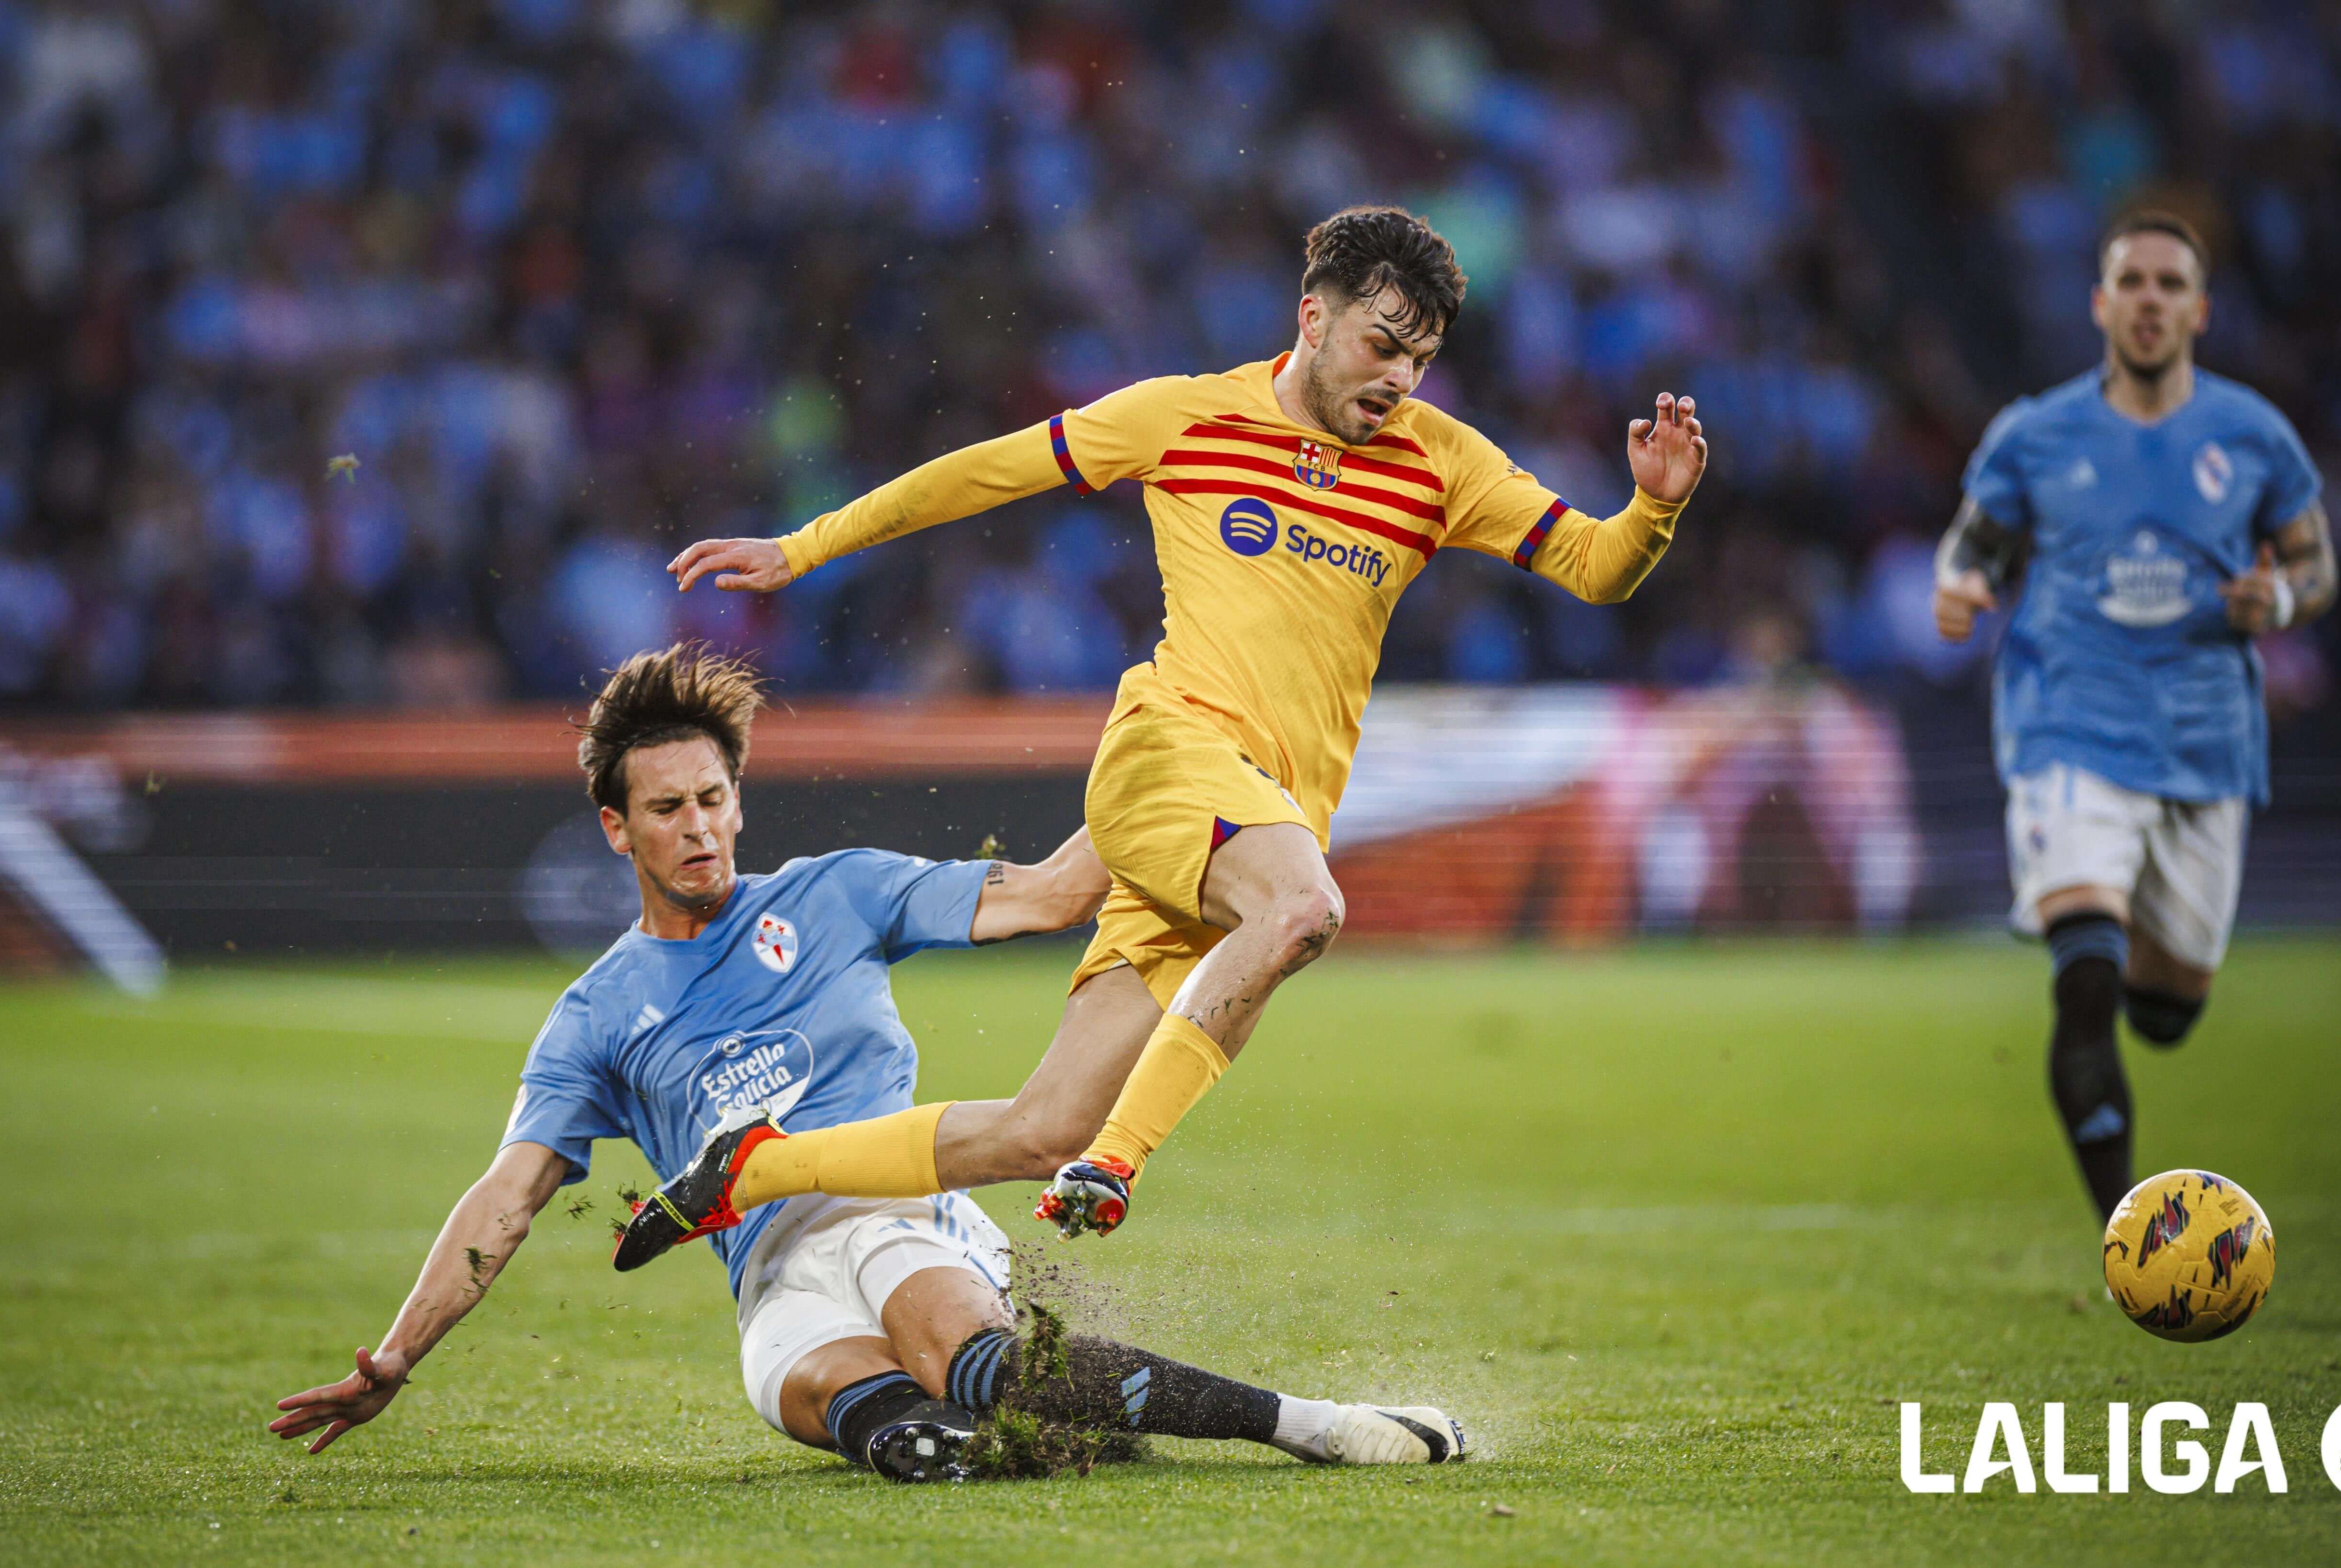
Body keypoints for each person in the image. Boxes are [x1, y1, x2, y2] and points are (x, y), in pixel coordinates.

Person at [632, 204, 1710, 1255]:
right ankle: (1114, 1165)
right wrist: (806, 546)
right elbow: (984, 472)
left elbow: (1595, 566)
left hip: (1256, 822)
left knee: (1035, 1126)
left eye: (1419, 361)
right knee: (1303, 910)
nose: (1398, 380)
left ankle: (754, 1166)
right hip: (1169, 755)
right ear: (1312, 318)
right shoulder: (1187, 416)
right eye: (1382, 346)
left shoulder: (1443, 462)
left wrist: (1651, 509)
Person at [268, 644, 1465, 1479]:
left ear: (739, 799)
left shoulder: (835, 892)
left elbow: (1051, 895)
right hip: (771, 1286)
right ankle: (932, 1422)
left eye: (714, 798)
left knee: (980, 1370)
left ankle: (1310, 1425)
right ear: (615, 828)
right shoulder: (593, 1017)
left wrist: (1184, 780)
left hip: (899, 1210)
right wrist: (394, 1358)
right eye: (668, 809)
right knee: (902, 1435)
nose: (699, 828)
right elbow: (506, 1197)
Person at [1932, 211, 2337, 1222]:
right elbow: (1971, 546)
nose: (2149, 300)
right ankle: (2126, 1236)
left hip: (2204, 738)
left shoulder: (2250, 436)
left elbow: (2312, 561)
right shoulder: (2035, 433)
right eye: (2131, 281)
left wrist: (2277, 604)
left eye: (2168, 285)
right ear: (2099, 303)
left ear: (2196, 310)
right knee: (2083, 978)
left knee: (2162, 1013)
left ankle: (2128, 972)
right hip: (2068, 722)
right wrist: (1961, 587)